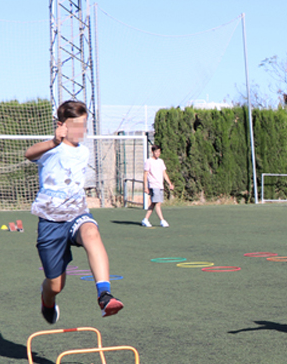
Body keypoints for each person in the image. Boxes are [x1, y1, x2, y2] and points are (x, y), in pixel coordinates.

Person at [25, 100, 123, 324]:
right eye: (75, 125)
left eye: (84, 124)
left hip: (76, 215)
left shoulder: (84, 151)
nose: (81, 130)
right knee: (56, 284)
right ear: (61, 125)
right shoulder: (50, 148)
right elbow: (28, 153)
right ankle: (47, 299)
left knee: (91, 233)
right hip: (50, 221)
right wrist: (53, 141)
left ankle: (104, 295)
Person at [141, 145, 175, 227]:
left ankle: (145, 219)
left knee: (153, 203)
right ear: (152, 152)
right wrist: (145, 187)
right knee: (158, 203)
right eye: (156, 152)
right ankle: (162, 220)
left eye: (159, 152)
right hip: (153, 185)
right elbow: (145, 174)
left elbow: (164, 173)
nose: (158, 153)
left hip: (160, 185)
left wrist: (169, 183)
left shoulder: (161, 161)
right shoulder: (149, 161)